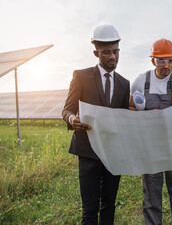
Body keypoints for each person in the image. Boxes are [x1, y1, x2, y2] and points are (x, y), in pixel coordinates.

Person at [62, 24, 130, 225]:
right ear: (96, 53)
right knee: (89, 210)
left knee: (109, 204)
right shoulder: (81, 76)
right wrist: (73, 120)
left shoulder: (124, 83)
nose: (112, 57)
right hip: (88, 152)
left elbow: (123, 118)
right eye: (106, 52)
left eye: (116, 51)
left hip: (112, 153)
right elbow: (67, 110)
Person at [129, 38, 172, 225]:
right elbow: (130, 105)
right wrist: (142, 116)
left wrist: (159, 116)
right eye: (161, 60)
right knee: (151, 196)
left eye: (170, 60)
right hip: (151, 147)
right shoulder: (141, 80)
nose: (166, 65)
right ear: (152, 61)